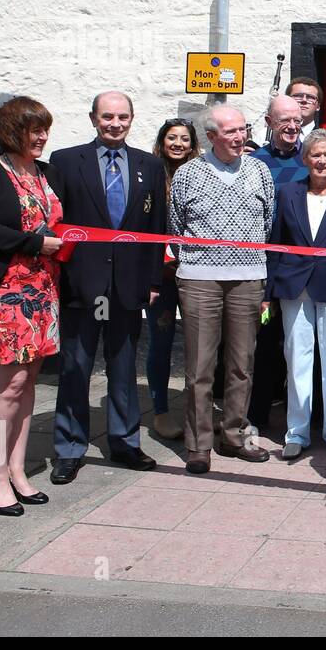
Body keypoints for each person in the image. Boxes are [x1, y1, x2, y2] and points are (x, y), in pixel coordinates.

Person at [48, 92, 167, 485]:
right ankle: (69, 448)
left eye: (122, 117)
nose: (115, 124)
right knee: (75, 366)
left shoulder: (149, 166)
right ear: (93, 119)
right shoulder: (65, 162)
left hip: (128, 286)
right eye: (107, 117)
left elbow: (156, 230)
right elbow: (55, 222)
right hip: (82, 284)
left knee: (123, 367)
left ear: (132, 119)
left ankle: (124, 441)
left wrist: (152, 281)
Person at [0, 97, 65, 516]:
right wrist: (35, 243)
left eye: (45, 129)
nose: (42, 137)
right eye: (34, 130)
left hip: (42, 290)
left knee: (28, 381)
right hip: (2, 291)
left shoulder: (46, 173)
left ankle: (18, 471)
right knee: (7, 385)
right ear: (11, 132)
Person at [169, 105, 275, 474]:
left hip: (248, 277)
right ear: (211, 136)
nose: (238, 137)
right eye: (230, 131)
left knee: (242, 363)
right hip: (199, 278)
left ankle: (234, 435)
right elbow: (176, 225)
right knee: (200, 366)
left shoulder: (260, 171)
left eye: (242, 130)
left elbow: (268, 220)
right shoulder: (187, 174)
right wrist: (202, 260)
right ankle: (198, 444)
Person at [265, 129, 326, 460]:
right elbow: (276, 243)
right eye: (315, 155)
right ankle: (297, 430)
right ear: (305, 159)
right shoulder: (289, 193)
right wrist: (269, 292)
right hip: (294, 287)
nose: (322, 161)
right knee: (297, 360)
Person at [246, 95, 308, 431]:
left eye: (297, 120)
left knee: (300, 347)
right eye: (284, 120)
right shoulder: (255, 162)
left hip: (301, 269)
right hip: (265, 270)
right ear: (269, 122)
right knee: (266, 346)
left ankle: (303, 422)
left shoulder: (312, 159)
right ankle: (256, 416)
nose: (291, 126)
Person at [146, 118, 199, 439]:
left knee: (200, 346)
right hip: (162, 274)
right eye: (171, 138)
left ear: (193, 145)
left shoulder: (201, 175)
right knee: (161, 340)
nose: (178, 143)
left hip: (196, 273)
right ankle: (161, 411)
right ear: (162, 141)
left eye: (184, 139)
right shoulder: (150, 173)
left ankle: (198, 411)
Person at [286, 77, 323, 144]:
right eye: (298, 96)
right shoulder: (267, 135)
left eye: (310, 97)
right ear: (287, 100)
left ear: (318, 106)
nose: (304, 100)